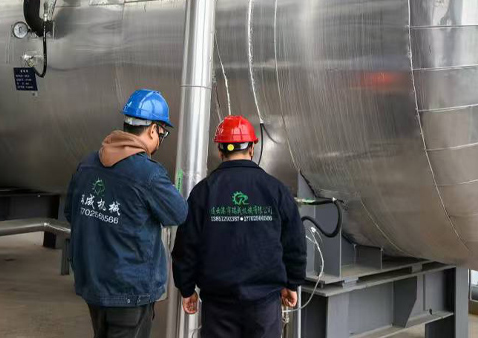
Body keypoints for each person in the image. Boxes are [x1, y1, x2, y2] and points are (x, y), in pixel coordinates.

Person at [65, 89, 188, 338]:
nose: (160, 140)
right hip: (130, 290)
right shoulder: (148, 173)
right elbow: (179, 213)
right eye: (162, 134)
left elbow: (70, 212)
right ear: (153, 130)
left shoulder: (87, 164)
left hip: (92, 284)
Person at [172, 115, 307, 338]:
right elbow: (295, 243)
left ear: (220, 150)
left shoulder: (204, 192)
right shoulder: (276, 190)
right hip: (265, 305)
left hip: (218, 307)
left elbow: (186, 246)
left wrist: (187, 289)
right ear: (252, 148)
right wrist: (292, 283)